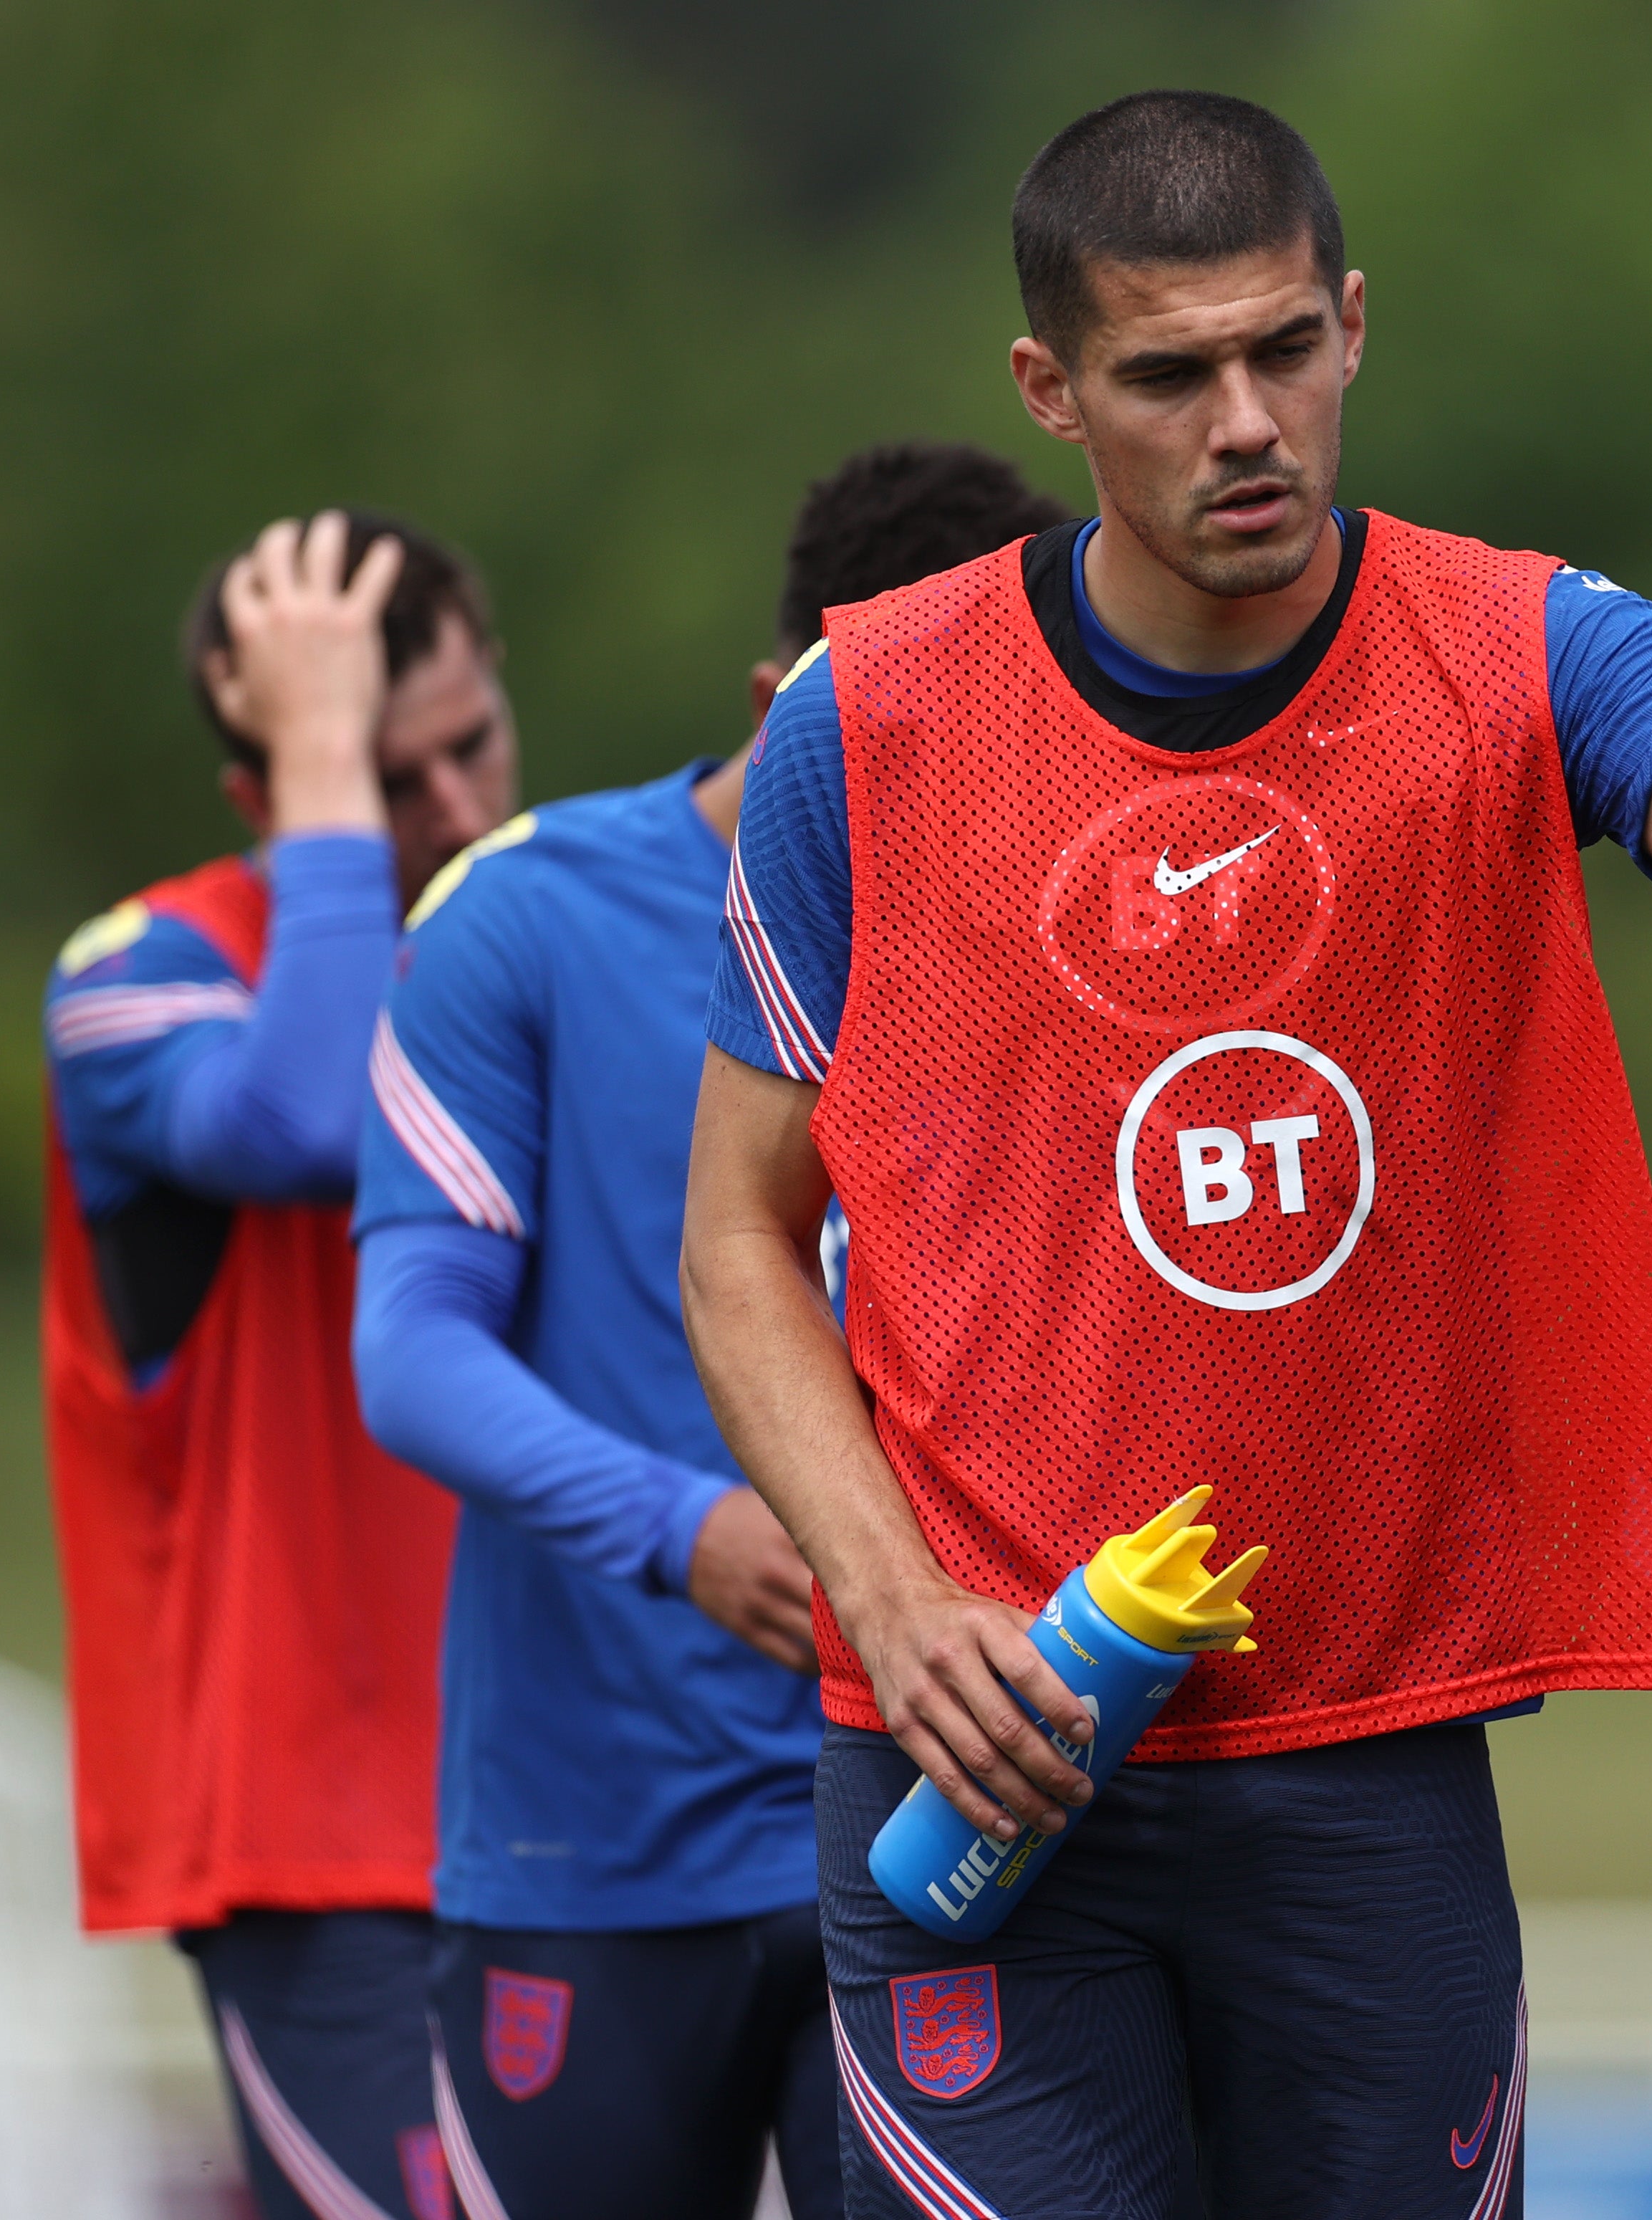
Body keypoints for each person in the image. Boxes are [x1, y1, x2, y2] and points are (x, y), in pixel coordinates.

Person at [680, 91, 1652, 2220]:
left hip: (1363, 1753)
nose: (1245, 421)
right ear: (1047, 390)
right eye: (1168, 373)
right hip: (978, 1750)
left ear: (1352, 327)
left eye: (1284, 348)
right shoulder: (871, 721)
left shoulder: (1515, 647)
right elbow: (740, 1241)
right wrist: (893, 1597)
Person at [347, 442, 1075, 2219]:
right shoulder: (524, 914)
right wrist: (685, 1530)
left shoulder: (1057, 932)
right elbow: (409, 1345)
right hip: (586, 1851)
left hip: (937, 1833)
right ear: (785, 700)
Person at [42, 509, 516, 2220]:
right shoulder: (138, 976)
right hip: (314, 1842)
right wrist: (329, 775)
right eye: (394, 777)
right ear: (271, 794)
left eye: (474, 744)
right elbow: (318, 1115)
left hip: (584, 1808)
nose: (459, 809)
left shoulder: (552, 937)